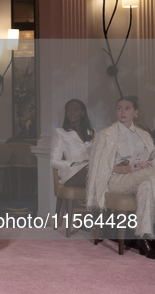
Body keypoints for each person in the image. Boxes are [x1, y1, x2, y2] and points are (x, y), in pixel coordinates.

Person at [86, 96, 155, 259]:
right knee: (151, 176)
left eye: (128, 108)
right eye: (119, 108)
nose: (123, 111)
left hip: (141, 177)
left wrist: (146, 163)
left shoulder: (144, 135)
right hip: (116, 180)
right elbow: (100, 168)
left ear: (136, 112)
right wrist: (125, 169)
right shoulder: (106, 135)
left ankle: (144, 237)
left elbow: (152, 157)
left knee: (147, 184)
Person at [50, 99, 95, 187]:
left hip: (92, 169)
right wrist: (75, 163)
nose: (72, 113)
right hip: (72, 172)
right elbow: (53, 161)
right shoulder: (59, 132)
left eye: (76, 110)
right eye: (69, 110)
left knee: (109, 170)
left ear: (82, 113)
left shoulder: (91, 132)